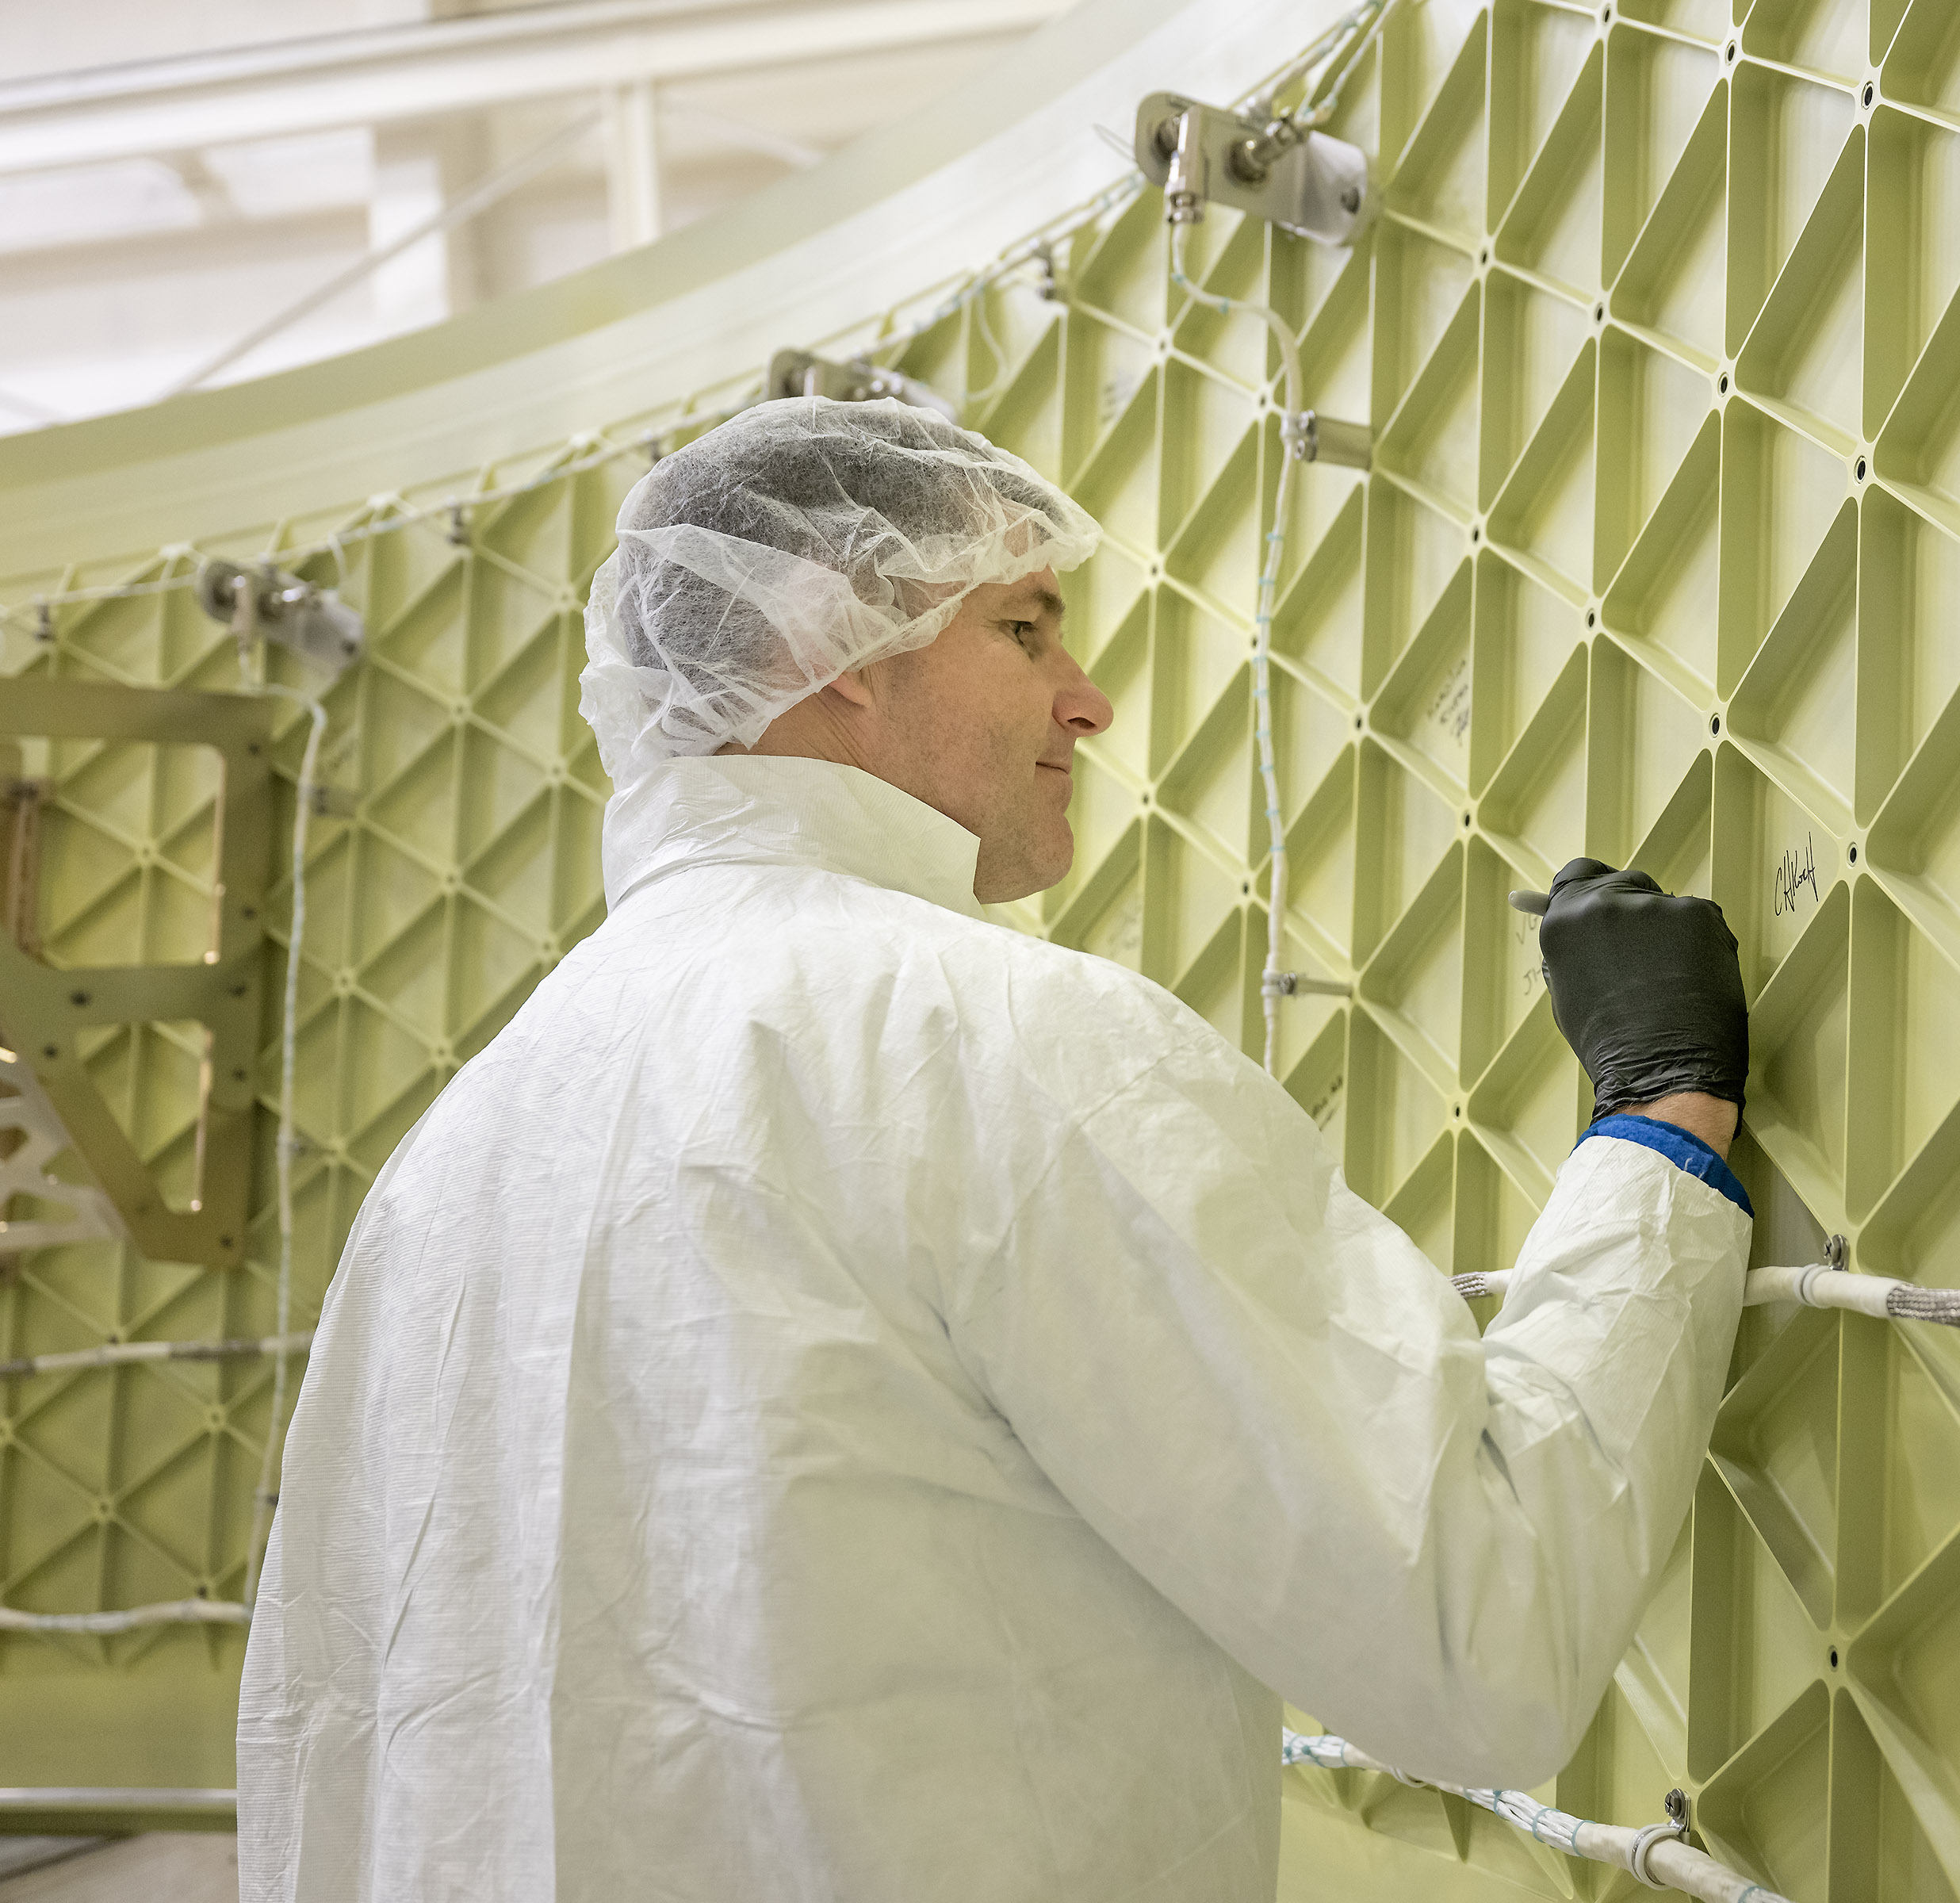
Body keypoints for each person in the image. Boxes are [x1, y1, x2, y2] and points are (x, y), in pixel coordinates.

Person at [237, 397, 1754, 1901]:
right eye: (1026, 631)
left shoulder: (460, 1146)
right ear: (813, 653)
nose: (1087, 701)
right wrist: (1660, 1125)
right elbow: (1479, 1638)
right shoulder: (987, 1037)